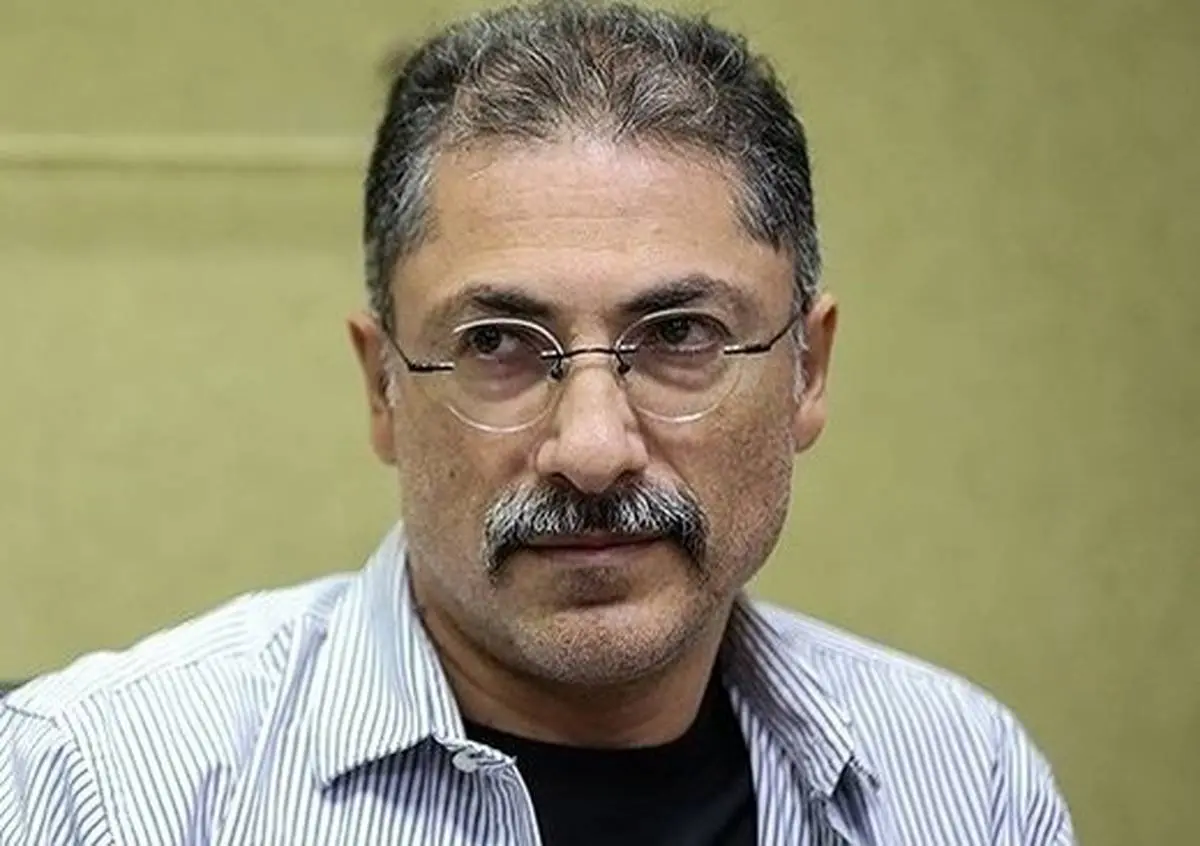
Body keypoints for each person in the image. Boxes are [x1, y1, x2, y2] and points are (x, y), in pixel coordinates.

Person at [0, 2, 1077, 843]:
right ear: (383, 389)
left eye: (680, 335)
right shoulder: (93, 788)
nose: (594, 449)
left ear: (807, 369)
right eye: (498, 345)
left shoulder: (963, 780)